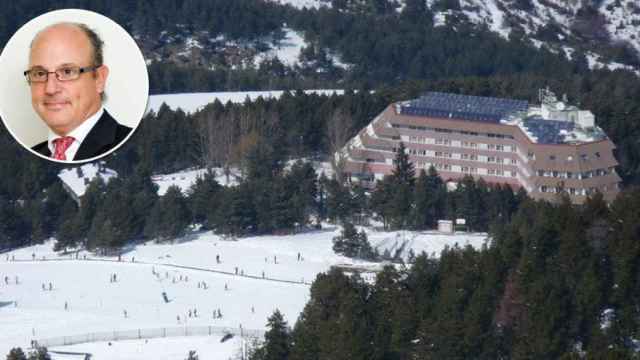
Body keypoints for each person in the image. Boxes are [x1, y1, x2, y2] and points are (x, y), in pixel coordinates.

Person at [24, 22, 132, 161]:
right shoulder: (30, 157)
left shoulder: (133, 146)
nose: (50, 89)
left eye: (67, 71)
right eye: (39, 73)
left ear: (99, 79)